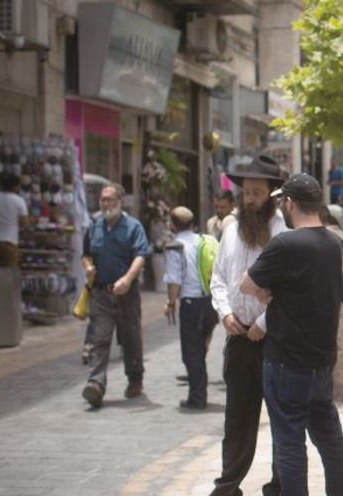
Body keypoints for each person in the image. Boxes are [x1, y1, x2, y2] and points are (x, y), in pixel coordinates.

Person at [241, 173, 343, 496]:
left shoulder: (285, 243)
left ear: (289, 203)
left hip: (286, 360)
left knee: (289, 444)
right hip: (321, 361)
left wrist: (267, 291)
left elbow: (246, 285)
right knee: (330, 438)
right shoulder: (332, 243)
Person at [209, 154, 287, 496]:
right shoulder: (230, 230)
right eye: (246, 193)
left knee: (281, 420)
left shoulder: (283, 232)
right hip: (238, 337)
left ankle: (279, 485)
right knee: (237, 418)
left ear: (271, 194)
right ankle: (228, 486)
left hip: (274, 341)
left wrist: (265, 322)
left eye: (257, 193)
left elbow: (289, 289)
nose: (250, 200)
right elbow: (218, 280)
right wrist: (225, 313)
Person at [81, 183, 150, 408]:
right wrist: (88, 267)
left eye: (110, 199)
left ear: (120, 202)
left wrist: (128, 279)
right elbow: (87, 254)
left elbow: (140, 255)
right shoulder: (94, 226)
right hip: (100, 292)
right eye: (103, 200)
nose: (106, 204)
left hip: (126, 293)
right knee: (98, 338)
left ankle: (135, 379)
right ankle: (96, 383)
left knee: (130, 337)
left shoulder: (133, 226)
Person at [163, 206, 219, 409]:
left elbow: (174, 279)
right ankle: (199, 391)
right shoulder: (205, 240)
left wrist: (170, 303)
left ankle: (197, 397)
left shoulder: (175, 246)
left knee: (191, 352)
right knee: (200, 348)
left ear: (173, 224)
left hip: (190, 304)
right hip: (210, 303)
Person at [0, 173, 29, 267]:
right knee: (9, 272)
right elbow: (24, 222)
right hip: (9, 240)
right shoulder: (19, 200)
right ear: (16, 186)